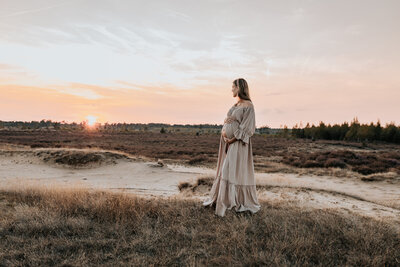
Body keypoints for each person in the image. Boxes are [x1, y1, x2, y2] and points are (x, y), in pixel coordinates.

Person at [202, 78, 261, 217]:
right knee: (225, 171)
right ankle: (221, 200)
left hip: (237, 144)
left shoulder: (249, 106)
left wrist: (232, 139)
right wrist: (224, 134)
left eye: (233, 87)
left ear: (240, 88)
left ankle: (232, 202)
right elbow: (229, 121)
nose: (232, 89)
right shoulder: (236, 104)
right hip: (227, 142)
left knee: (228, 170)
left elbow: (247, 129)